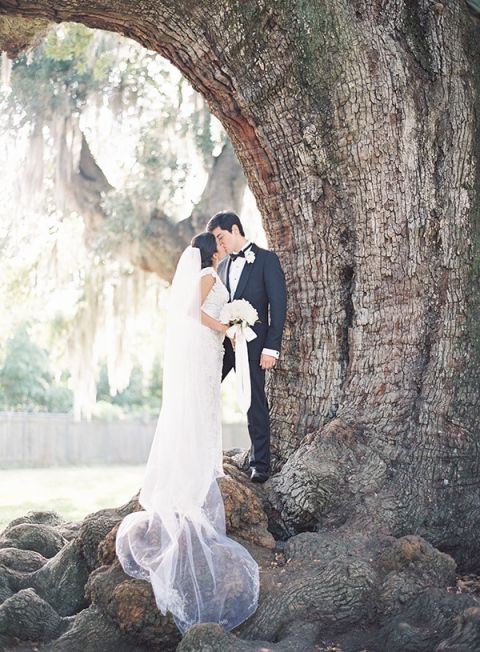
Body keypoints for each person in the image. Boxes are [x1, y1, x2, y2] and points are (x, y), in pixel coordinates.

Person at [115, 231, 259, 634]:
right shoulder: (207, 277)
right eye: (215, 241)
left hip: (206, 350)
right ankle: (198, 463)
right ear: (209, 250)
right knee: (200, 406)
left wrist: (227, 326)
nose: (219, 244)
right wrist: (228, 327)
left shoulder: (208, 275)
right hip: (204, 345)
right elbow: (196, 315)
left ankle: (202, 457)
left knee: (204, 407)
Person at [207, 211, 287, 483]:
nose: (220, 244)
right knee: (204, 388)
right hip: (225, 342)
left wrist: (271, 348)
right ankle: (200, 452)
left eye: (221, 237)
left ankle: (260, 464)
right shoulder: (222, 267)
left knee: (255, 402)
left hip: (255, 345)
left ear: (235, 229)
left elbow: (278, 306)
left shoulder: (266, 260)